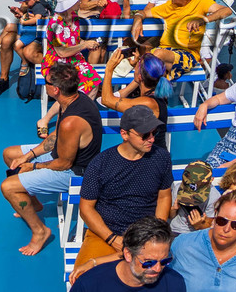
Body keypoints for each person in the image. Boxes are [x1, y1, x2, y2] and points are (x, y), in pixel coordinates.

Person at [0, 62, 105, 255]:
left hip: (76, 173)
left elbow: (64, 163)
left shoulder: (72, 122)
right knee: (10, 154)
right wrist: (28, 156)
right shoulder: (71, 100)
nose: (44, 84)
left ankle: (40, 231)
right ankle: (33, 203)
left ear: (55, 89)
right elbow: (55, 137)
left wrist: (33, 167)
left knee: (8, 187)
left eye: (46, 82)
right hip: (62, 155)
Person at [73, 106, 173, 268]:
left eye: (154, 133)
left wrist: (157, 232)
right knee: (83, 276)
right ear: (124, 134)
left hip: (147, 234)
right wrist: (112, 239)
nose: (152, 139)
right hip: (105, 233)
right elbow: (86, 208)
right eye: (145, 135)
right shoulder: (100, 164)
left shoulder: (161, 158)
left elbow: (164, 197)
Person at [60, 217, 186, 292]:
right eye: (149, 262)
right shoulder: (88, 285)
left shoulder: (174, 284)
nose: (157, 269)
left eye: (164, 261)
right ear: (128, 254)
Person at [132, 0, 231, 79]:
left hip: (187, 55)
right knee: (148, 62)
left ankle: (145, 81)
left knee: (154, 59)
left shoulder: (200, 2)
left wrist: (204, 19)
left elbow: (226, 10)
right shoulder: (169, 6)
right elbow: (143, 13)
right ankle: (151, 84)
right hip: (165, 51)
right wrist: (138, 19)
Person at [170, 160, 236, 235]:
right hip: (175, 230)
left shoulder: (214, 196)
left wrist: (199, 225)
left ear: (212, 180)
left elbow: (211, 225)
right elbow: (170, 216)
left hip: (198, 234)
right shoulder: (178, 188)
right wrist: (174, 209)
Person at [100, 46, 169, 125]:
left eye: (137, 66)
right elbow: (144, 77)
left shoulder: (148, 103)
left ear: (140, 77)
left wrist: (109, 69)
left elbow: (106, 100)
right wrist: (137, 65)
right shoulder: (158, 92)